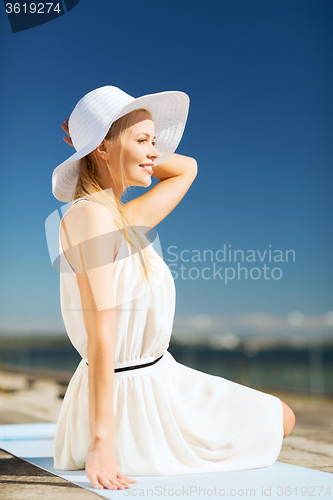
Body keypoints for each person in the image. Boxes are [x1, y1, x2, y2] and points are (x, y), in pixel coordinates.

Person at [51, 85, 295, 491]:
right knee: (279, 420)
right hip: (131, 398)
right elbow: (101, 333)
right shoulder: (89, 218)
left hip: (163, 377)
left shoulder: (121, 219)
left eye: (155, 142)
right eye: (143, 141)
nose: (154, 153)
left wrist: (101, 141)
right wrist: (101, 442)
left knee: (281, 417)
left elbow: (188, 168)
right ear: (103, 149)